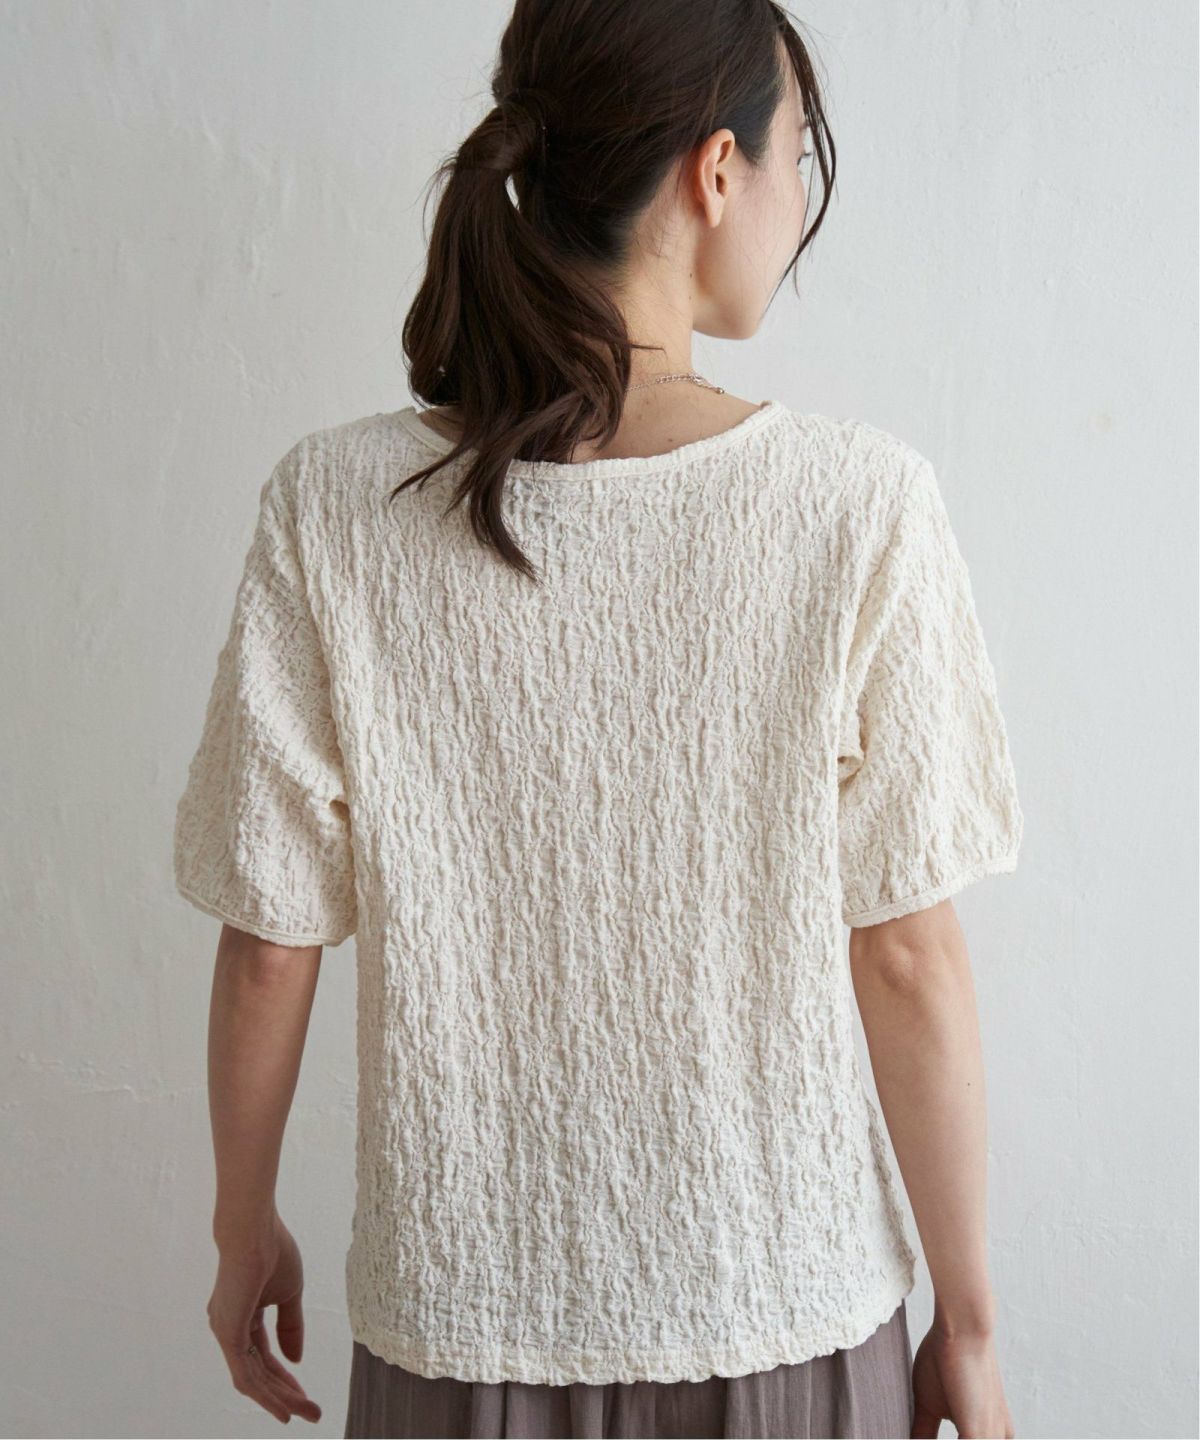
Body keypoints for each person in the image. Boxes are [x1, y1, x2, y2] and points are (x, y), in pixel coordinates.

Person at [173, 3, 1023, 1437]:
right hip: (786, 1319)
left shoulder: (333, 508)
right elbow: (908, 955)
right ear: (715, 172)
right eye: (796, 153)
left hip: (460, 1340)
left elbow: (269, 943)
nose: (799, 197)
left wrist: (239, 1229)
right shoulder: (858, 509)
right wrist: (973, 1325)